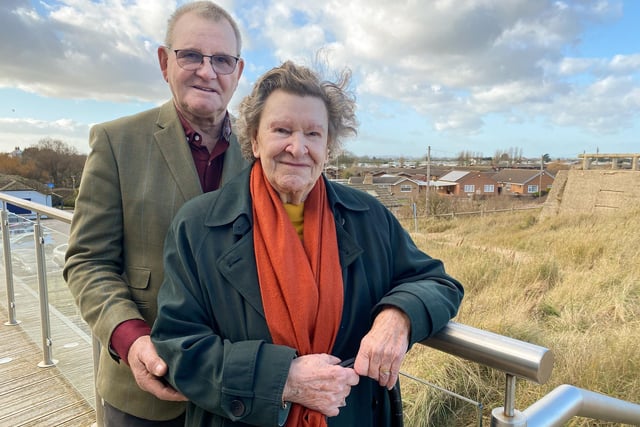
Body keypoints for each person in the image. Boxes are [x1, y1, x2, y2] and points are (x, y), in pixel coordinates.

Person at [151, 60, 465, 426]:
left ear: (328, 146)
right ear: (254, 139)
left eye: (314, 134)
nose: (297, 148)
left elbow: (438, 282)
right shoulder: (198, 226)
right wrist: (282, 379)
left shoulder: (368, 216)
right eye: (282, 130)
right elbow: (178, 345)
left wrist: (398, 317)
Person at [63, 2, 248, 425]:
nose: (207, 71)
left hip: (235, 395)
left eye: (221, 60)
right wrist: (130, 338)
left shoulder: (262, 152)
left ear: (237, 72)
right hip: (144, 389)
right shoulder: (117, 141)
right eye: (191, 56)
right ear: (165, 62)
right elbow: (87, 261)